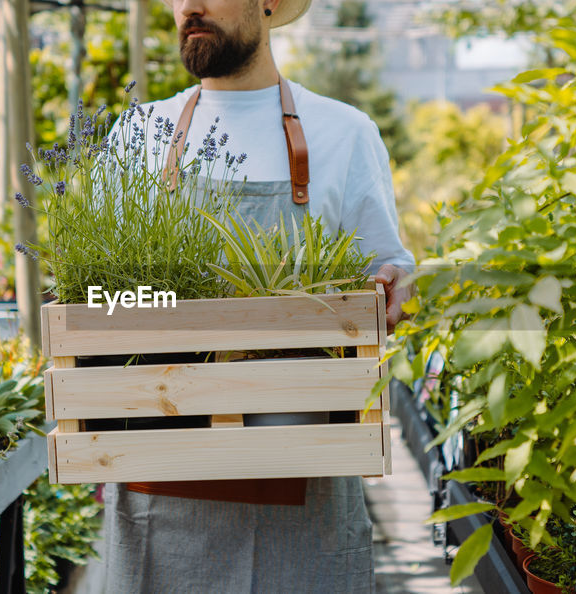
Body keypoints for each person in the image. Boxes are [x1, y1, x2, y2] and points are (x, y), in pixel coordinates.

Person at [99, 0, 415, 591]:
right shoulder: (137, 135)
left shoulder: (344, 133)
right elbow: (95, 304)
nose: (188, 6)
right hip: (161, 490)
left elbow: (387, 272)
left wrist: (390, 293)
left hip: (305, 479)